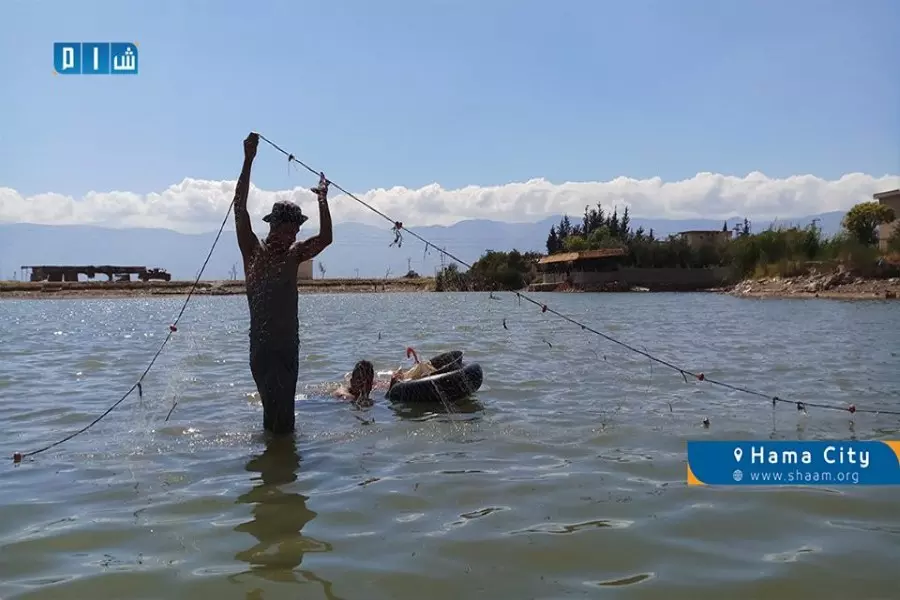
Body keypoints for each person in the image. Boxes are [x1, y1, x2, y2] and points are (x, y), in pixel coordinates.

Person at [235, 132, 334, 434]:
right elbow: (239, 208)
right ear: (272, 226)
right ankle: (274, 466)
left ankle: (278, 474)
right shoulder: (252, 250)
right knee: (272, 419)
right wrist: (248, 160)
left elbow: (326, 238)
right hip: (262, 349)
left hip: (289, 347)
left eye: (293, 234)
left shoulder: (294, 256)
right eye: (285, 232)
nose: (289, 239)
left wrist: (322, 200)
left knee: (286, 422)